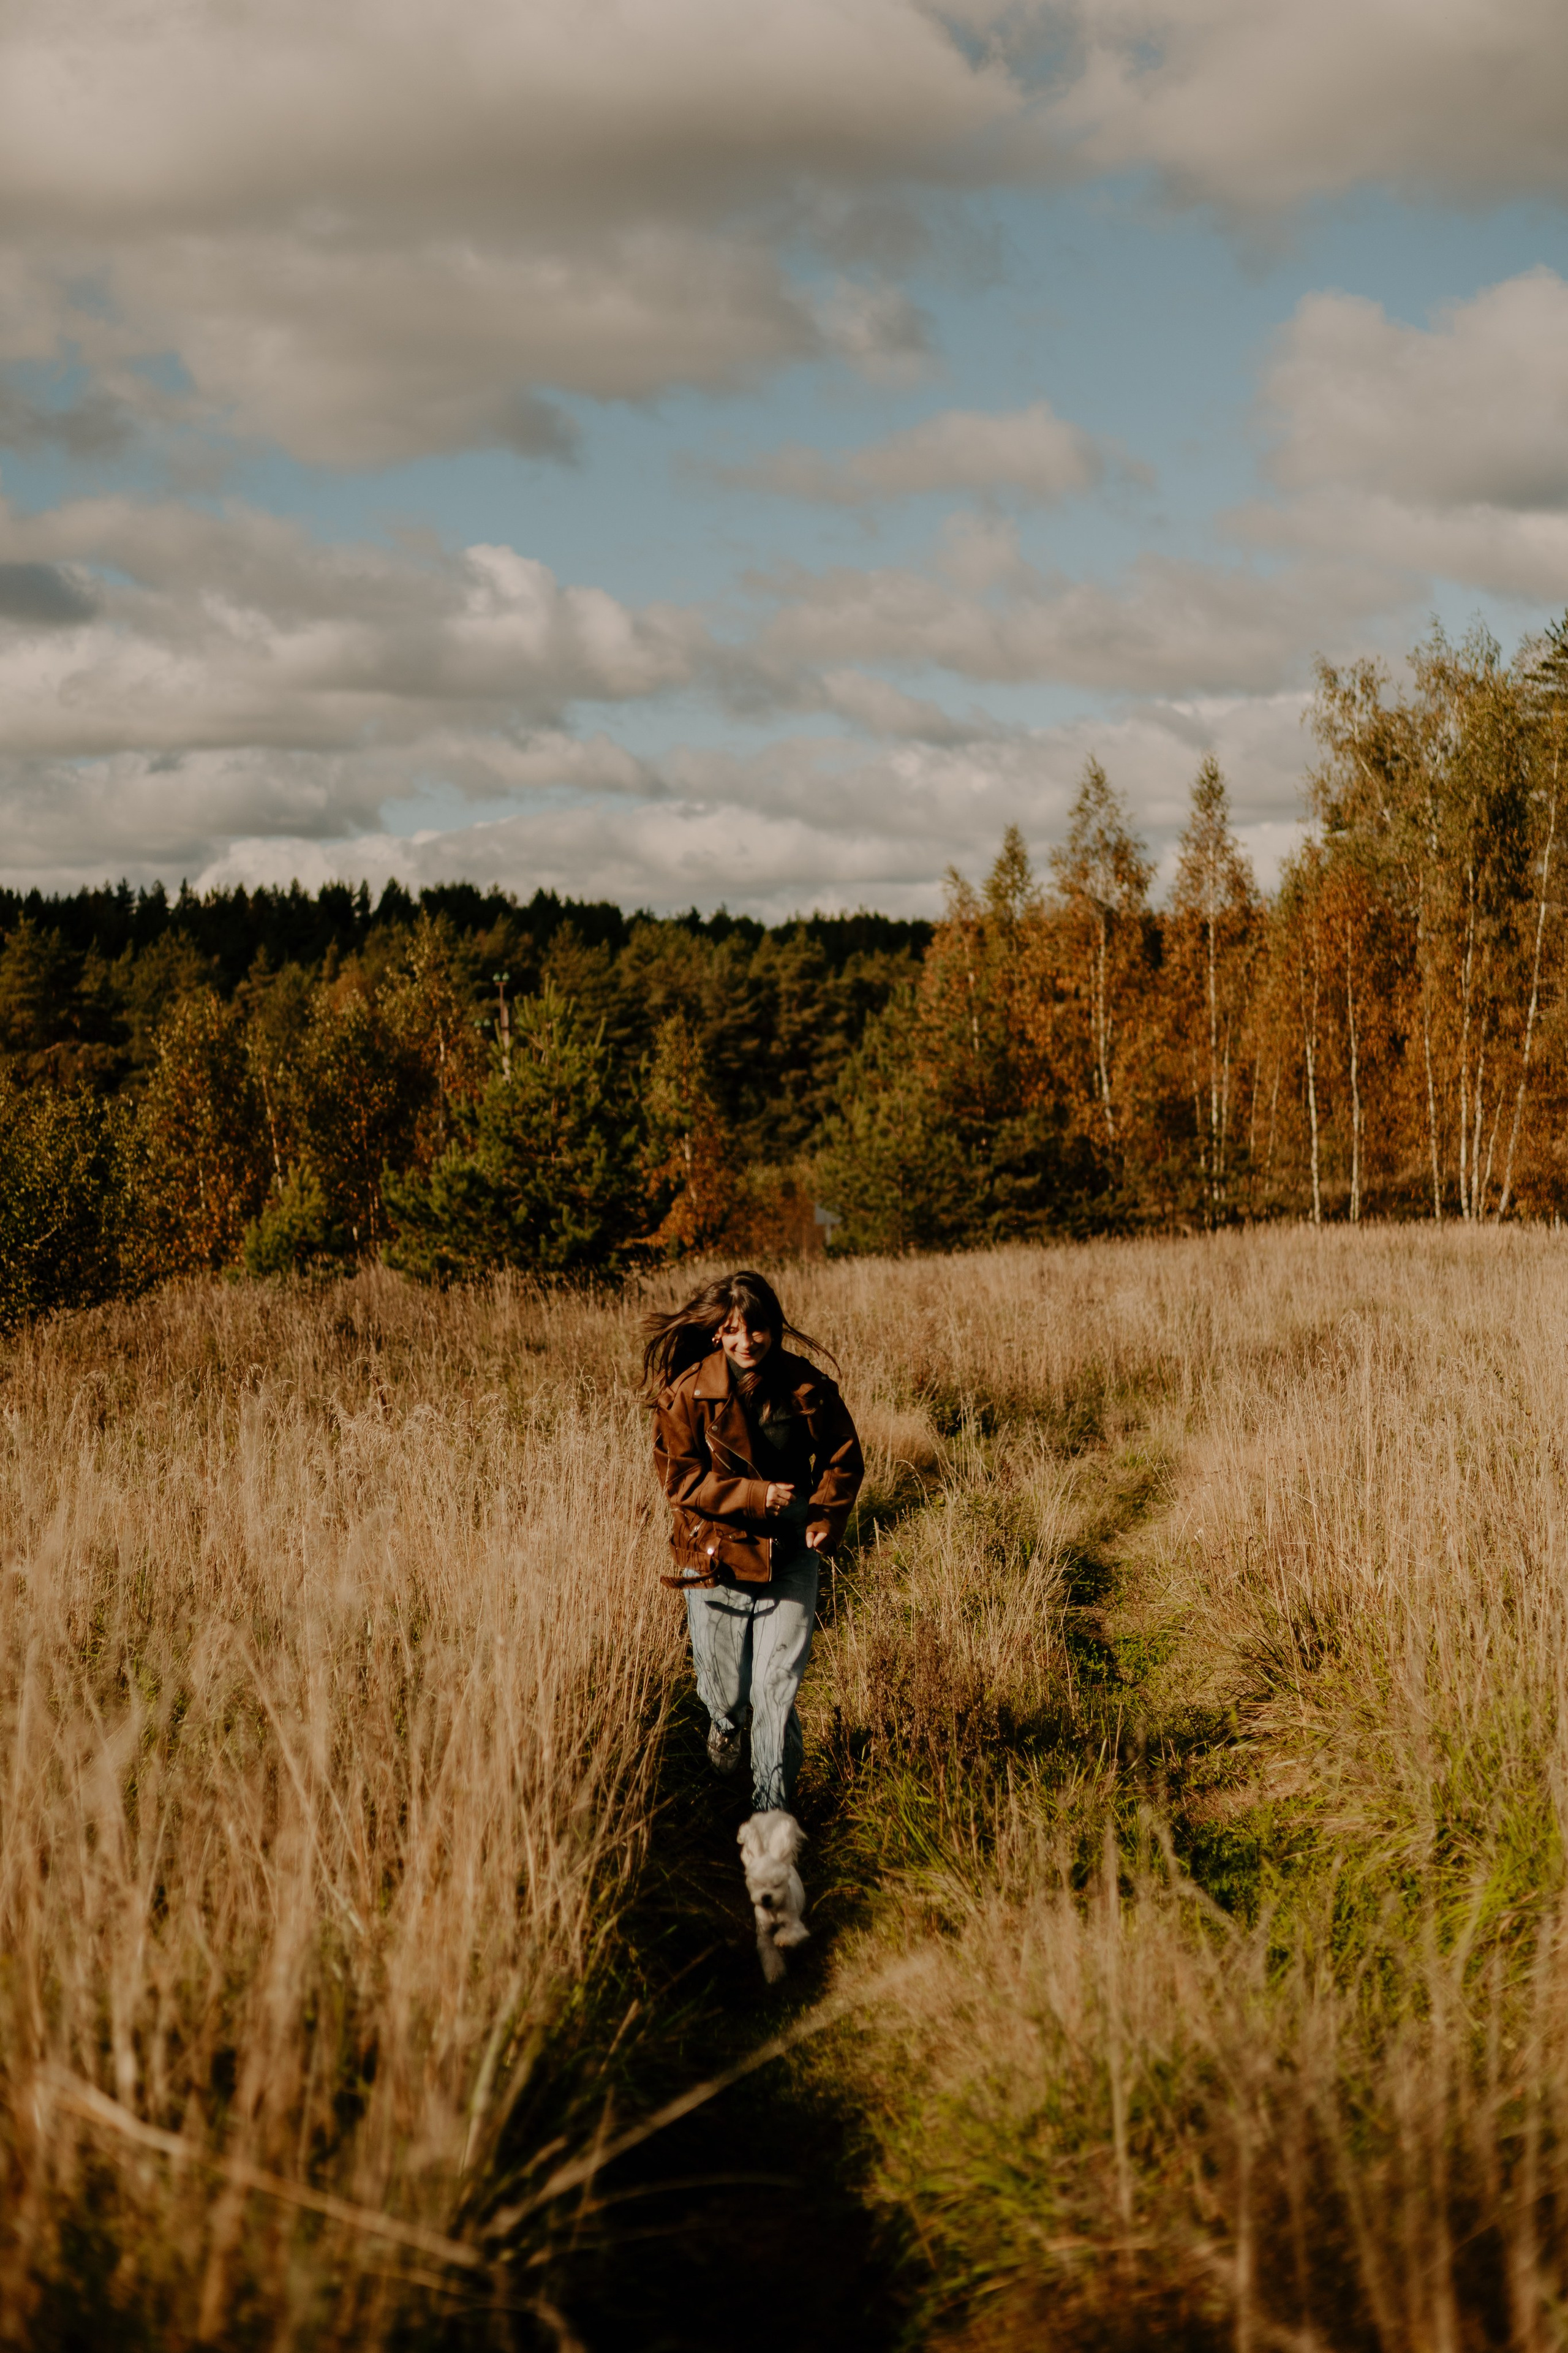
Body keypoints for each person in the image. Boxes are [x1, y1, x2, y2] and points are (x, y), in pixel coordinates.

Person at [644, 1271, 864, 1815]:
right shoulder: (687, 1392)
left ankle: (772, 1815)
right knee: (728, 1694)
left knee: (775, 1689)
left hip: (790, 1555)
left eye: (758, 1328)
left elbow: (842, 1456)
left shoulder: (806, 1386)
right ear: (717, 1332)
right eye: (734, 1330)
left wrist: (825, 1513)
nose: (748, 1341)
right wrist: (753, 1495)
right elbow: (680, 1482)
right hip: (715, 1557)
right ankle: (724, 1725)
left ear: (775, 1327)